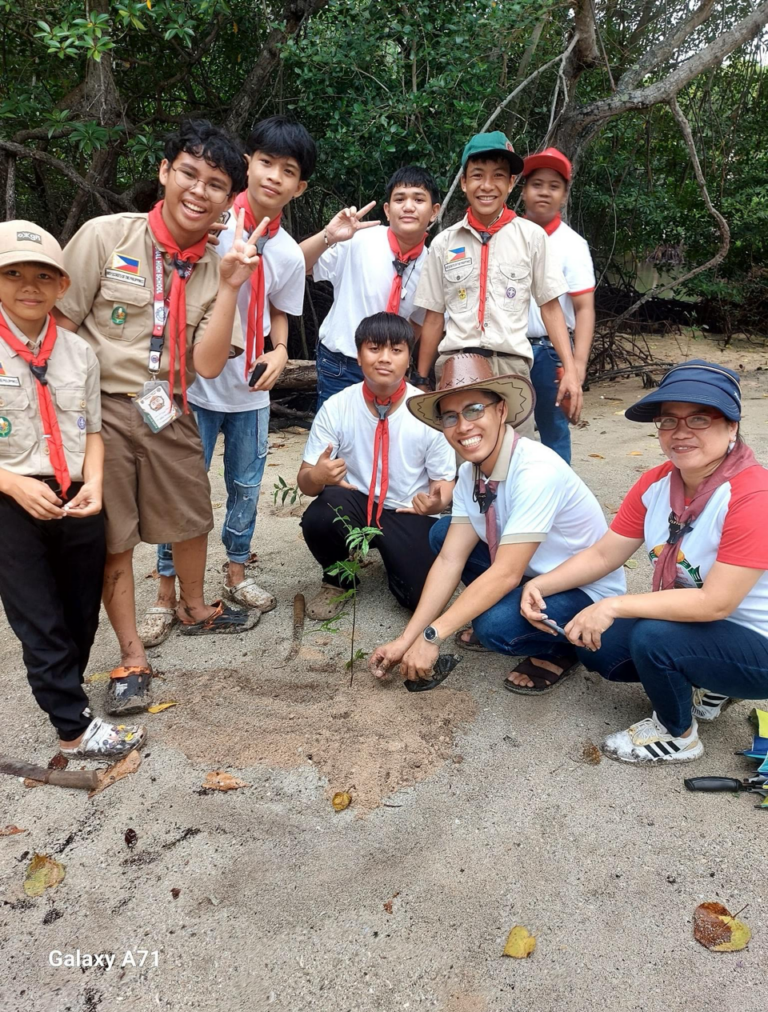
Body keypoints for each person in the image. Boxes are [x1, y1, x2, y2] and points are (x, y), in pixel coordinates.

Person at [55, 119, 261, 716]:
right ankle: (131, 655)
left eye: (216, 183)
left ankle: (195, 608)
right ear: (165, 172)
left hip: (168, 404)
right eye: (189, 174)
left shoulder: (220, 264)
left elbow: (207, 360)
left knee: (191, 513)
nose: (199, 191)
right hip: (103, 408)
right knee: (114, 536)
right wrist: (69, 419)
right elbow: (62, 325)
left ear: (229, 197)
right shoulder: (106, 237)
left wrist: (228, 289)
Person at [519, 360, 768, 765]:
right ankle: (710, 681)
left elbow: (715, 604)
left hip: (759, 642)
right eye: (668, 420)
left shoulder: (753, 495)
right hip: (707, 630)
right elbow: (605, 553)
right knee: (599, 647)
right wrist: (540, 585)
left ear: (732, 426)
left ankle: (678, 734)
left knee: (652, 637)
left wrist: (612, 604)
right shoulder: (656, 483)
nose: (681, 431)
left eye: (700, 418)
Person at [142, 116, 316, 646]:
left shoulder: (287, 252)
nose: (273, 177)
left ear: (299, 186)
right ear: (248, 165)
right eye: (265, 163)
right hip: (192, 388)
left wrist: (282, 349)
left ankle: (236, 574)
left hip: (250, 392)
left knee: (245, 486)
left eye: (288, 171)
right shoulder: (213, 224)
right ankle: (165, 592)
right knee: (180, 490)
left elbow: (281, 313)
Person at [369, 354, 625, 689]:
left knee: (494, 627)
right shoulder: (468, 473)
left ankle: (559, 650)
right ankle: (515, 618)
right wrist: (408, 639)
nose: (463, 427)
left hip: (582, 586)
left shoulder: (535, 470)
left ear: (501, 410)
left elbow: (506, 573)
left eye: (474, 410)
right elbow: (450, 560)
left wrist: (433, 636)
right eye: (450, 417)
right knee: (444, 535)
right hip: (532, 572)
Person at [0, 221, 145, 757]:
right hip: (11, 496)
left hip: (78, 490)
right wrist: (13, 483)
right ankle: (73, 728)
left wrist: (98, 485)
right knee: (37, 612)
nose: (28, 285)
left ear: (63, 285)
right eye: (12, 273)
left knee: (81, 607)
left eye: (42, 274)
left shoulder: (79, 354)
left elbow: (92, 431)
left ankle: (69, 691)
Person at [412, 131, 583, 436]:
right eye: (477, 176)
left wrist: (570, 370)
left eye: (498, 177)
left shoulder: (532, 238)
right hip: (456, 367)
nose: (487, 186)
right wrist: (423, 377)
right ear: (464, 182)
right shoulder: (443, 244)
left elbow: (551, 308)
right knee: (459, 462)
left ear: (511, 183)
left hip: (511, 371)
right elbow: (434, 317)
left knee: (516, 460)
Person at [298, 312, 455, 619]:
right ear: (358, 355)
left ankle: (397, 564)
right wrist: (317, 475)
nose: (385, 359)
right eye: (374, 348)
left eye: (396, 350)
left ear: (409, 358)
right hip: (355, 500)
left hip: (407, 509)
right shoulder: (337, 407)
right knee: (319, 516)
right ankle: (338, 580)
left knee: (419, 598)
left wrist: (438, 501)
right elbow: (305, 481)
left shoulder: (426, 411)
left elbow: (443, 482)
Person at [300, 166, 441, 408]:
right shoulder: (358, 240)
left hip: (390, 371)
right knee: (335, 440)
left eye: (418, 199)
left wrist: (401, 359)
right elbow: (297, 266)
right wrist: (328, 236)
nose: (408, 206)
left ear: (434, 212)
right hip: (341, 364)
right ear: (387, 210)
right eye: (399, 199)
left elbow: (418, 322)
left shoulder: (432, 265)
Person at [522, 148, 595, 463]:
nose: (544, 192)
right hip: (509, 349)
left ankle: (560, 501)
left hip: (551, 351)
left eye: (554, 186)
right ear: (523, 190)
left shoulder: (572, 245)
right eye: (537, 184)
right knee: (506, 428)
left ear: (564, 195)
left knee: (554, 428)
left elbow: (584, 308)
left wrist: (577, 365)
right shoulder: (506, 234)